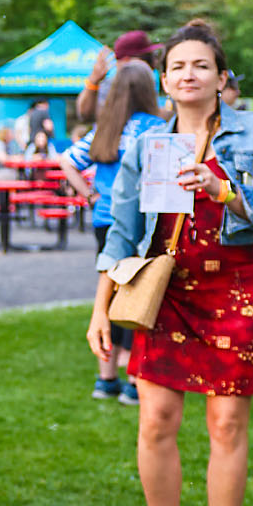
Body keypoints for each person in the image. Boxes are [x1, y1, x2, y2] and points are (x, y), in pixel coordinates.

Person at [87, 22, 253, 506]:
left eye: (201, 65)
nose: (189, 75)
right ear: (164, 81)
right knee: (156, 421)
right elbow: (122, 231)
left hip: (238, 289)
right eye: (178, 67)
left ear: (220, 76)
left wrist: (223, 191)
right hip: (166, 291)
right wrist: (101, 309)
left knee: (228, 423)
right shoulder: (146, 145)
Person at [61, 61, 164, 403]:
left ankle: (105, 379)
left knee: (108, 297)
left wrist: (90, 195)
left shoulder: (106, 129)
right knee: (141, 296)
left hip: (105, 222)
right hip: (142, 223)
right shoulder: (159, 129)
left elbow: (67, 161)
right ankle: (135, 380)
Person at [77, 29, 159, 121]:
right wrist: (93, 81)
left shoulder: (150, 81)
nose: (154, 63)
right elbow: (85, 116)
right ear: (126, 60)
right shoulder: (110, 85)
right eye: (147, 58)